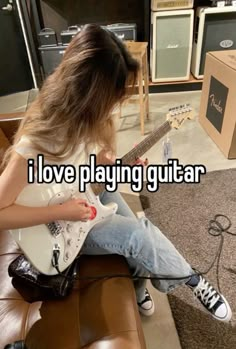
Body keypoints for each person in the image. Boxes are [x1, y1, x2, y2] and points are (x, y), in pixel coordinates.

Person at [0, 24, 232, 322]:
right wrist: (61, 212)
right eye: (113, 96)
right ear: (90, 93)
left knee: (131, 222)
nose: (119, 102)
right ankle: (191, 280)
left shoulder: (82, 119)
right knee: (136, 235)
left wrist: (116, 166)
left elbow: (81, 171)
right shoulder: (36, 142)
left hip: (78, 197)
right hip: (58, 234)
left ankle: (137, 292)